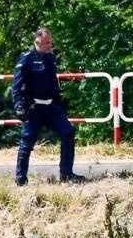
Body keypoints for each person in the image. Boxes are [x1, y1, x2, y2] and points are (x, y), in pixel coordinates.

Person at [10, 27, 86, 186]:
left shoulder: (50, 58)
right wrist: (19, 106)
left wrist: (58, 103)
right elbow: (16, 86)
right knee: (26, 144)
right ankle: (20, 180)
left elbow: (53, 83)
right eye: (47, 42)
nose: (50, 45)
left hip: (51, 108)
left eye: (50, 42)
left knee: (68, 132)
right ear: (37, 42)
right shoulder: (26, 60)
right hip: (33, 109)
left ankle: (66, 174)